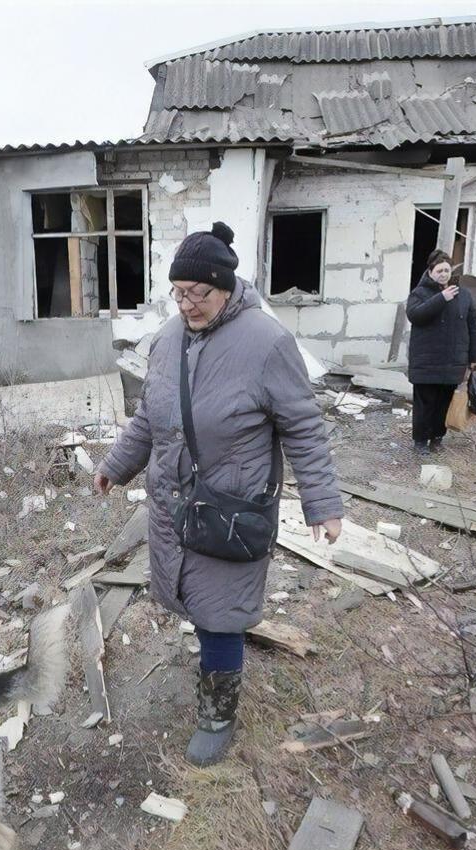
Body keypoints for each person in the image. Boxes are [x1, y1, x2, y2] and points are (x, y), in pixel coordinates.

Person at [92, 222, 343, 767]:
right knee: (195, 601)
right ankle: (213, 669)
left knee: (220, 613)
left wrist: (323, 503)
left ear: (225, 286)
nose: (186, 305)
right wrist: (118, 464)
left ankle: (218, 712)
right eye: (178, 293)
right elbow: (151, 415)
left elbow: (302, 425)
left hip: (231, 506)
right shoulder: (168, 337)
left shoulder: (268, 342)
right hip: (175, 501)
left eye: (198, 294)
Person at [405, 249, 476, 454]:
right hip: (426, 361)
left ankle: (437, 439)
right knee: (425, 404)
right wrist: (441, 298)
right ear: (430, 272)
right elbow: (415, 315)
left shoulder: (464, 295)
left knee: (443, 403)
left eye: (447, 270)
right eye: (439, 270)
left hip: (453, 361)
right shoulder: (419, 293)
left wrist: (474, 357)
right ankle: (420, 441)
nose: (443, 274)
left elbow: (474, 327)